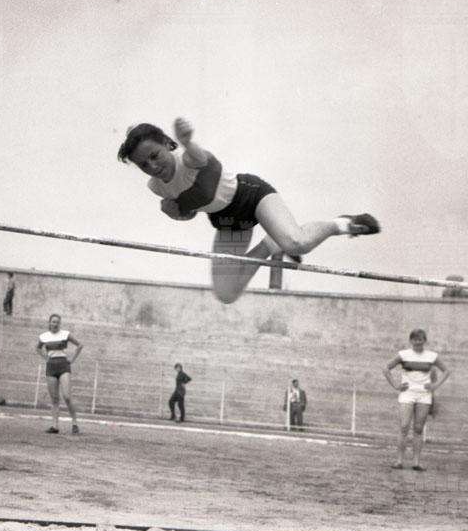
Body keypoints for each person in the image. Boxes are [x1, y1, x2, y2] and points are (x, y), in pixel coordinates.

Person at [118, 118, 380, 304]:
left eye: (154, 155)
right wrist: (174, 213)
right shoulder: (156, 187)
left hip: (251, 195)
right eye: (143, 165)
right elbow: (191, 212)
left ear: (167, 143)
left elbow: (199, 158)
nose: (152, 167)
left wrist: (188, 142)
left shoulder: (187, 158)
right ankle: (270, 244)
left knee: (298, 243)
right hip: (227, 220)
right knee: (227, 293)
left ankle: (341, 224)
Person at [382, 328, 450, 471]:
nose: (417, 342)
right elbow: (386, 368)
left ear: (424, 341)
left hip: (424, 395)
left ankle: (416, 463)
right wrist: (395, 385)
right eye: (415, 339)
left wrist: (435, 385)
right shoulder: (403, 354)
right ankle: (399, 461)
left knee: (418, 429)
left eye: (420, 339)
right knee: (404, 427)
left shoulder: (431, 356)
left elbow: (446, 371)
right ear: (410, 340)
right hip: (407, 394)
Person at [36, 313, 84, 434]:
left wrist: (72, 359)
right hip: (51, 366)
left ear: (60, 323)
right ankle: (55, 426)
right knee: (54, 398)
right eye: (53, 322)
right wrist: (46, 357)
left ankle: (74, 423)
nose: (55, 324)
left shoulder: (65, 334)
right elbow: (38, 348)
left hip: (63, 365)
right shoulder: (44, 336)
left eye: (57, 322)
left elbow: (80, 345)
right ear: (49, 323)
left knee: (67, 396)